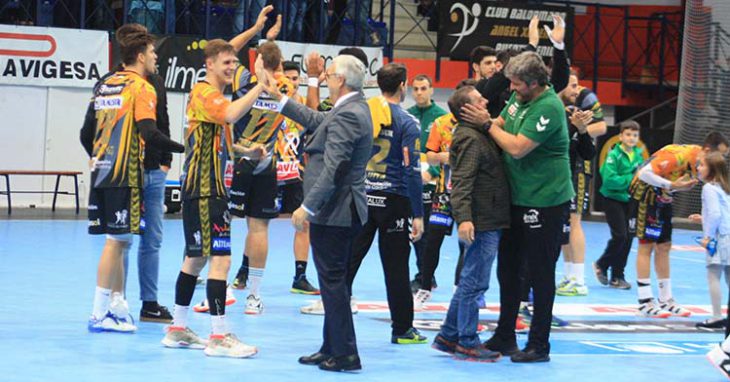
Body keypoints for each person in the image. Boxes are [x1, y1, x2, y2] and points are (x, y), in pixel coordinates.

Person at [261, 53, 372, 372]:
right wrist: (277, 97)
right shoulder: (349, 108)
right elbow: (314, 120)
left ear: (341, 80)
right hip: (340, 210)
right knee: (332, 282)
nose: (324, 79)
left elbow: (335, 168)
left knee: (334, 283)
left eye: (329, 74)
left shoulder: (349, 113)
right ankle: (332, 347)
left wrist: (307, 207)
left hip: (336, 211)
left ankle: (346, 354)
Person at [461, 51, 573, 363]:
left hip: (546, 201)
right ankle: (505, 334)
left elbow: (517, 147)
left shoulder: (548, 106)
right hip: (517, 197)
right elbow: (498, 122)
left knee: (539, 272)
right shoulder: (519, 99)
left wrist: (485, 125)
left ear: (534, 83)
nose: (510, 88)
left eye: (516, 83)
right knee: (508, 268)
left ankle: (539, 344)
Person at [161, 40, 268, 357]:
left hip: (203, 188)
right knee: (220, 259)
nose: (232, 66)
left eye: (234, 62)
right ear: (209, 64)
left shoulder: (213, 99)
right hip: (206, 189)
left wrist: (250, 151)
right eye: (226, 62)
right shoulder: (205, 93)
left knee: (195, 259)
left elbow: (226, 142)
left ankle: (177, 329)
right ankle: (219, 337)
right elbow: (233, 113)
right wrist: (260, 85)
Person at [80, 27, 185, 333]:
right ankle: (100, 314)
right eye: (153, 53)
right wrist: (181, 148)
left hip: (101, 173)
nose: (156, 58)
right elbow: (150, 132)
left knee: (117, 241)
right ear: (140, 56)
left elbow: (86, 134)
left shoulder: (105, 85)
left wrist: (99, 156)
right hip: (126, 175)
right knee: (117, 242)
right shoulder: (142, 87)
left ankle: (113, 307)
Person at [345, 63, 426, 344]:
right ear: (403, 85)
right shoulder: (407, 122)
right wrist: (418, 213)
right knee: (396, 268)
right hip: (394, 201)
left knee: (347, 263)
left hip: (363, 197)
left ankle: (337, 327)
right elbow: (412, 171)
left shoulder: (364, 112)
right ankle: (402, 329)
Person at [430, 85, 509, 362]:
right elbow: (461, 181)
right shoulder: (470, 138)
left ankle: (448, 335)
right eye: (479, 100)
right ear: (467, 109)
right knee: (474, 282)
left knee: (470, 279)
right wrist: (463, 219)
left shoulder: (477, 133)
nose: (486, 100)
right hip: (482, 219)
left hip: (487, 217)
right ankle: (467, 341)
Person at [227, 41, 297, 315]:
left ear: (257, 62)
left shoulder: (244, 81)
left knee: (221, 222)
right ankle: (254, 296)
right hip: (267, 161)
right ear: (280, 65)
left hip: (239, 160)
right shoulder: (287, 88)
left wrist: (257, 36)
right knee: (259, 229)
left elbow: (228, 49)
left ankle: (216, 285)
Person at [629, 132, 729, 318]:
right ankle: (644, 301)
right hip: (645, 195)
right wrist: (672, 185)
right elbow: (644, 174)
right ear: (707, 151)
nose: (722, 160)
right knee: (646, 246)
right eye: (720, 155)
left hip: (664, 197)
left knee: (664, 246)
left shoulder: (703, 166)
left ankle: (665, 299)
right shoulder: (678, 156)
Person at [556, 71, 607, 297]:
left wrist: (578, 128)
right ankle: (569, 276)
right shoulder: (551, 100)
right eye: (572, 86)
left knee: (574, 222)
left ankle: (579, 279)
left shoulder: (586, 97)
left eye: (577, 85)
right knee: (564, 224)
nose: (577, 90)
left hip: (578, 168)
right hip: (559, 169)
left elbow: (602, 127)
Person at [275, 61, 319, 295]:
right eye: (287, 78)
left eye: (295, 79)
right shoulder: (269, 99)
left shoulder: (300, 104)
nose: (291, 83)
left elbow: (315, 114)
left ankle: (300, 277)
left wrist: (313, 80)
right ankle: (243, 271)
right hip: (268, 168)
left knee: (304, 223)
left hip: (294, 171)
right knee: (255, 222)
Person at [407, 74, 448, 292]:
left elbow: (446, 149)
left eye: (423, 88)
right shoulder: (407, 115)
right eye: (416, 89)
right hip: (412, 180)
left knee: (430, 233)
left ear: (432, 90)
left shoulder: (442, 118)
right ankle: (423, 273)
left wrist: (432, 171)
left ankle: (426, 275)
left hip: (433, 182)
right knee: (414, 230)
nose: (419, 93)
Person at [594, 121, 643, 290]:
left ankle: (618, 276)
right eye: (628, 134)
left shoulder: (638, 155)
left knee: (629, 238)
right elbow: (609, 180)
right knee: (620, 236)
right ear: (621, 136)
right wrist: (631, 179)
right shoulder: (613, 155)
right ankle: (602, 263)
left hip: (630, 201)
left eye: (635, 135)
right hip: (613, 199)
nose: (631, 138)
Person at [689, 152, 730, 329]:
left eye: (702, 165)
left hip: (720, 238)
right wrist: (703, 218)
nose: (698, 168)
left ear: (711, 169)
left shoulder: (709, 188)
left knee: (713, 275)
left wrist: (708, 237)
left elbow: (715, 214)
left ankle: (716, 317)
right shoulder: (724, 187)